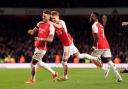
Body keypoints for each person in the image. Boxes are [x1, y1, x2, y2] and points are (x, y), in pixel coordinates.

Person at [50, 10, 102, 81]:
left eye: (54, 18)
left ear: (58, 17)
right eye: (52, 19)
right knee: (79, 56)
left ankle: (65, 77)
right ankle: (95, 58)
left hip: (68, 44)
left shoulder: (61, 22)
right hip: (68, 43)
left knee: (63, 62)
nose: (53, 20)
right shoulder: (54, 25)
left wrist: (51, 23)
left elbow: (60, 27)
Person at [25, 10, 58, 84]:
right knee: (39, 63)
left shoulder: (51, 26)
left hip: (41, 49)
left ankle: (33, 80)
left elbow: (50, 39)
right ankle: (54, 73)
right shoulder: (40, 23)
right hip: (37, 47)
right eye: (42, 15)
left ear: (49, 17)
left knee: (32, 64)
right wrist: (30, 31)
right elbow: (33, 32)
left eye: (44, 16)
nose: (42, 17)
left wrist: (40, 39)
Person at [90, 12, 122, 82]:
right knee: (109, 61)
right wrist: (104, 22)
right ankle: (119, 77)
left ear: (95, 17)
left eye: (91, 16)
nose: (90, 17)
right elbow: (102, 32)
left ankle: (105, 68)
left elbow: (97, 37)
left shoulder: (94, 25)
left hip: (100, 45)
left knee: (92, 59)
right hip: (106, 45)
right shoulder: (100, 25)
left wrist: (94, 46)